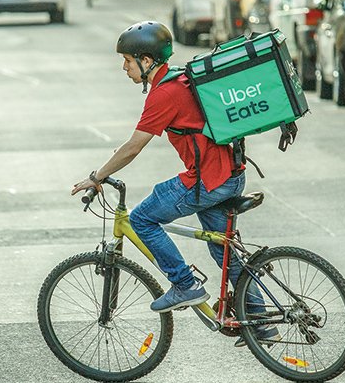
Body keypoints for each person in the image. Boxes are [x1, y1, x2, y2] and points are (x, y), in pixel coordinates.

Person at [71, 22, 278, 344]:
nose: (123, 68)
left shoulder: (164, 93)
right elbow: (134, 144)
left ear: (147, 60)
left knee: (141, 218)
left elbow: (134, 146)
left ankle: (185, 285)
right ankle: (262, 322)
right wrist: (115, 160)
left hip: (209, 181)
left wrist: (96, 177)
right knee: (223, 251)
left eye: (127, 61)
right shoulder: (179, 78)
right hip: (230, 174)